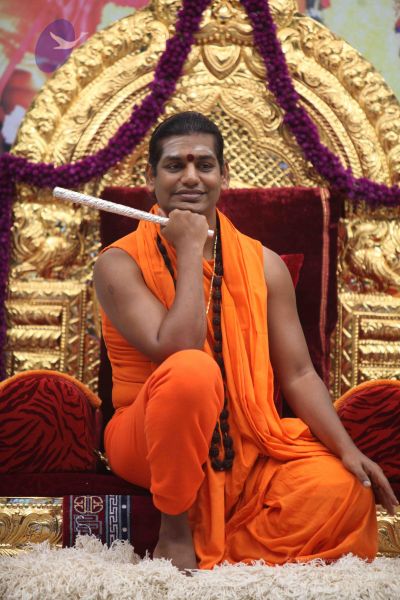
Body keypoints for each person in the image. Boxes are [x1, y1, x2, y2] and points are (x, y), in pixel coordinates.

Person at [94, 111, 398, 571]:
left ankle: (225, 549)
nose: (191, 177)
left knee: (342, 489)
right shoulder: (118, 264)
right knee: (192, 370)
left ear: (224, 175)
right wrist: (190, 248)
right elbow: (178, 347)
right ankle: (175, 532)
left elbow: (299, 373)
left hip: (245, 441)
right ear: (151, 178)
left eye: (205, 165)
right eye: (175, 166)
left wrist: (347, 449)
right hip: (148, 438)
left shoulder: (264, 264)